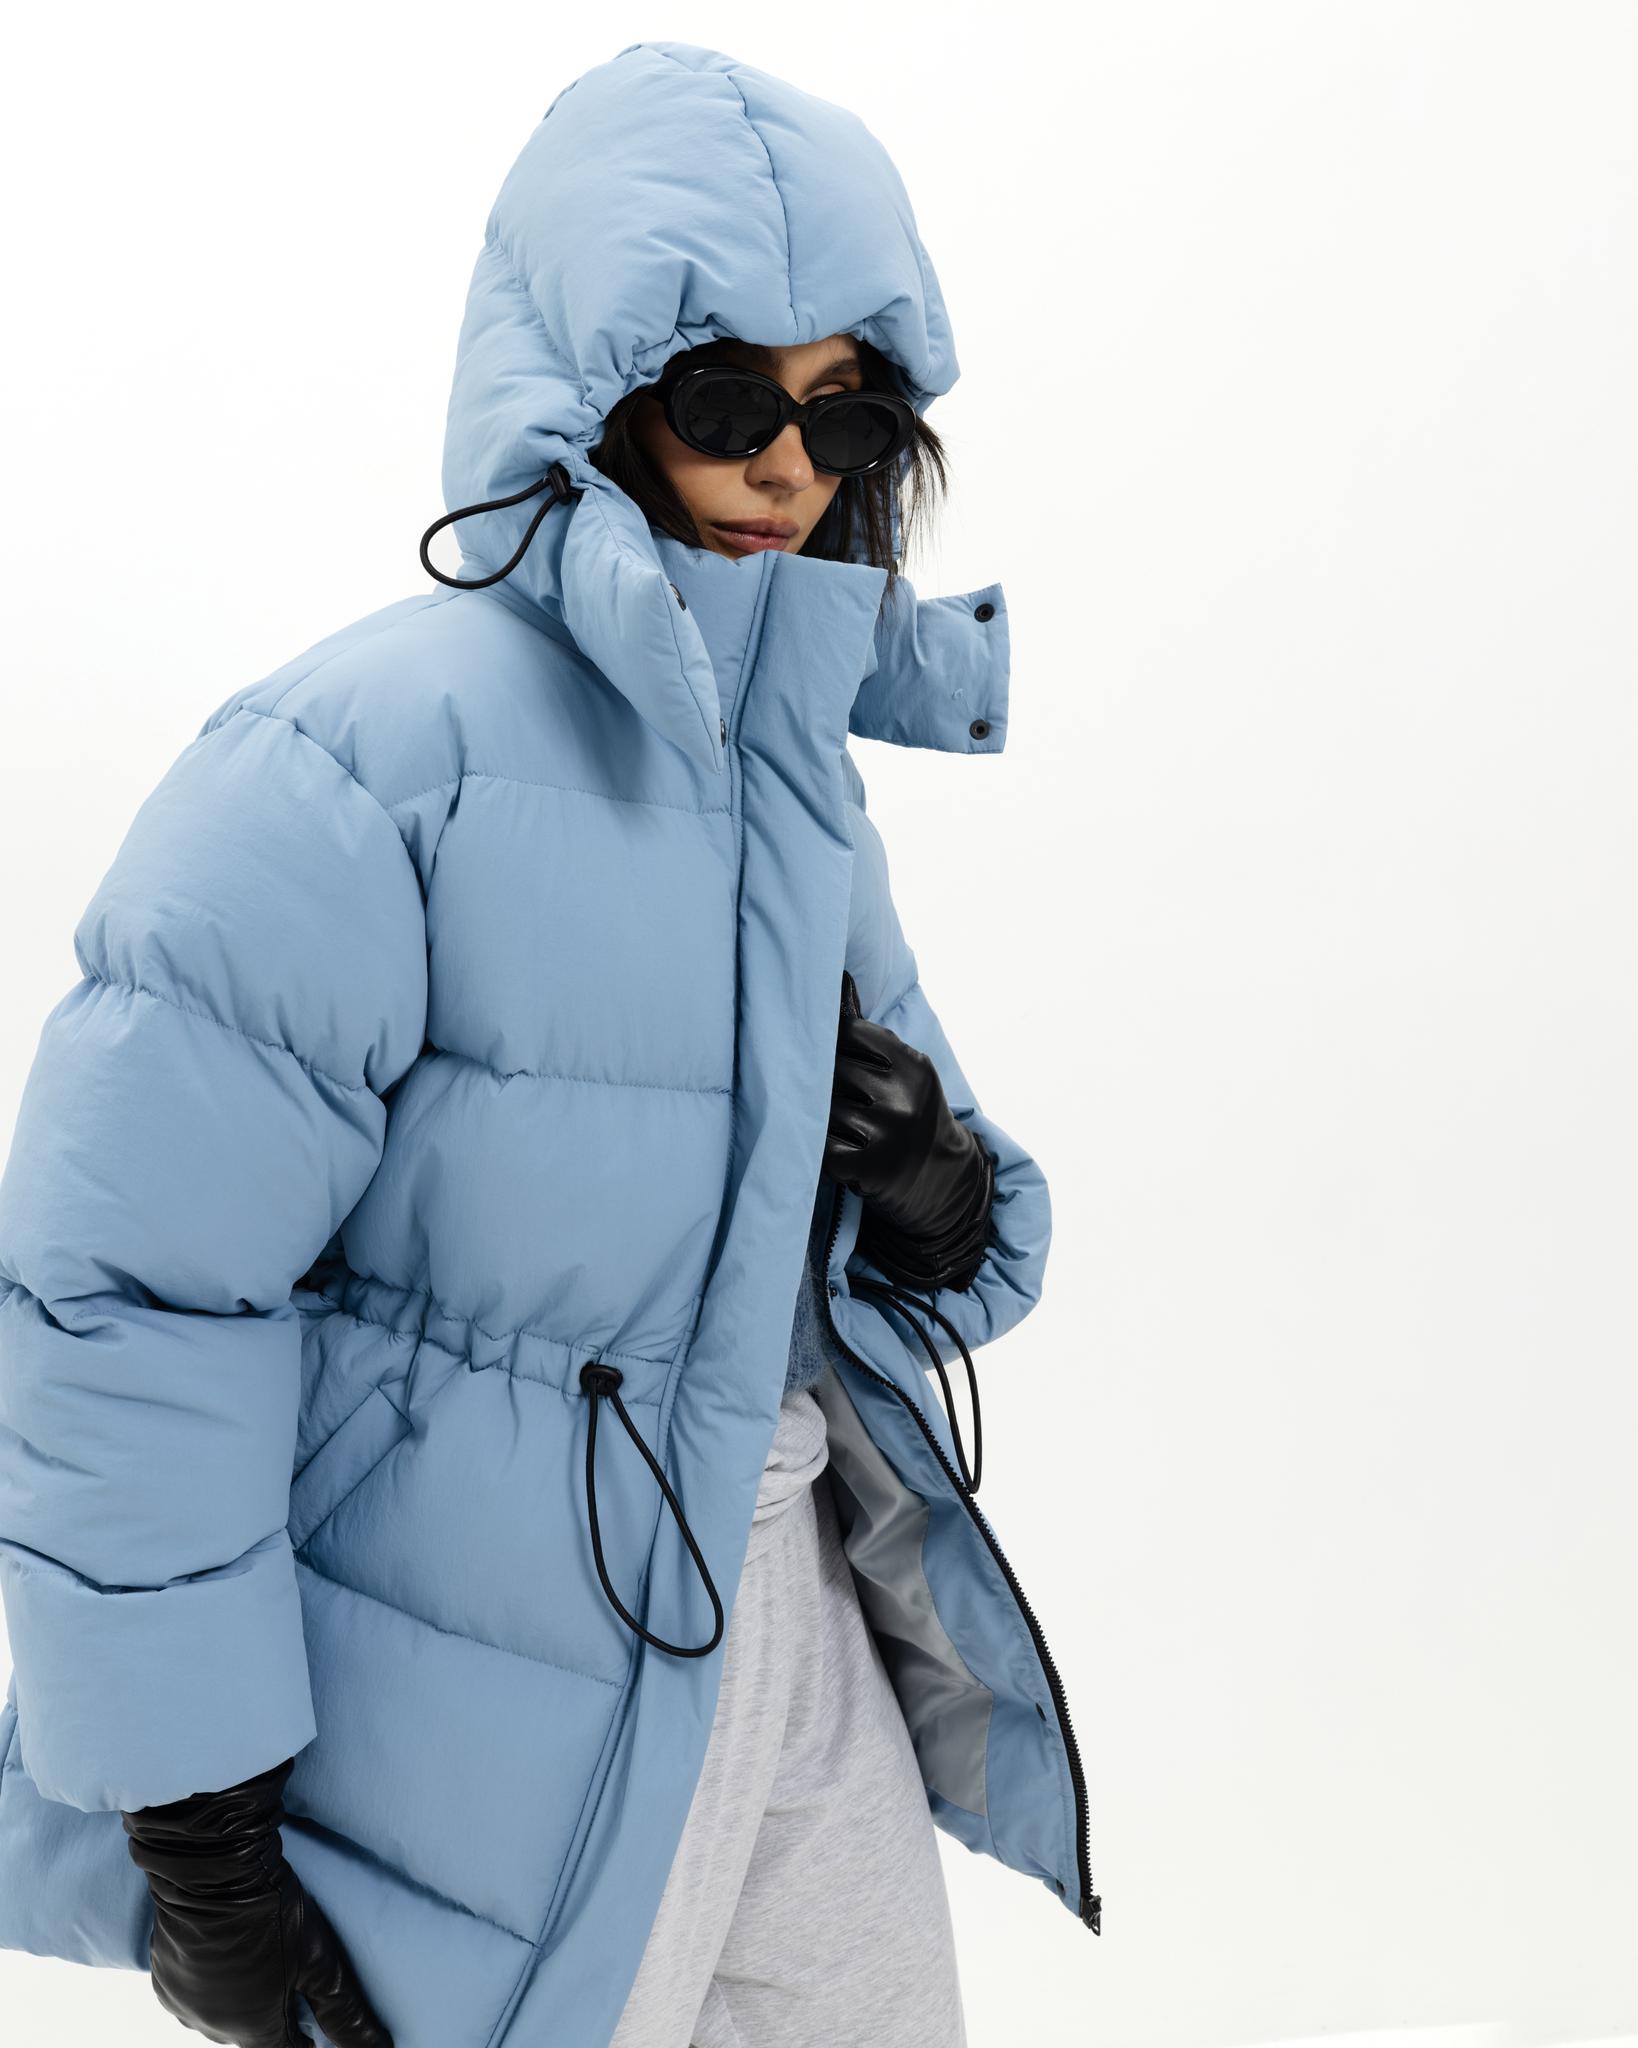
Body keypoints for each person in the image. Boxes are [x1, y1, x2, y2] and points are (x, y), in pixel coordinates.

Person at [0, 39, 1095, 2048]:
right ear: (586, 390)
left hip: (794, 1620)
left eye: (844, 414)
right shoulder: (353, 761)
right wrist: (195, 1818)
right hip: (473, 1676)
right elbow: (126, 1291)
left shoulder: (795, 775)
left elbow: (904, 1256)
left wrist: (931, 1188)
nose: (786, 467)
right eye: (726, 400)